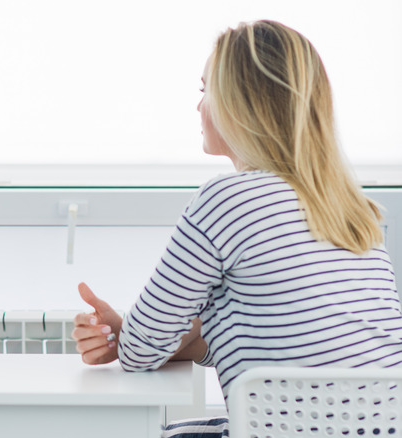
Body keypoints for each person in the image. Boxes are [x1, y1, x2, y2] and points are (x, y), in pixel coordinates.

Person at [72, 20, 402, 437]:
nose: (198, 106)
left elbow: (139, 352)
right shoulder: (355, 210)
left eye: (205, 90)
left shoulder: (225, 201)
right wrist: (142, 334)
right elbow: (270, 334)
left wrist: (130, 335)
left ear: (241, 104)